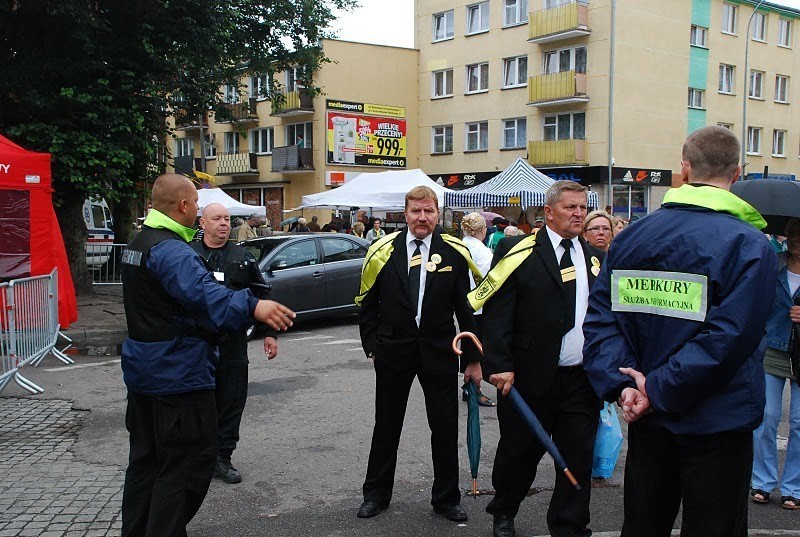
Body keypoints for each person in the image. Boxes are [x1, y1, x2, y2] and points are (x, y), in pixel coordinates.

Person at [582, 126, 778, 537]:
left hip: (648, 416)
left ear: (684, 169)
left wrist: (629, 386)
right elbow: (730, 337)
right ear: (737, 174)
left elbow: (601, 320)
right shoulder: (750, 243)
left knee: (643, 526)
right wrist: (656, 388)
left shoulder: (632, 236)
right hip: (716, 422)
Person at [119, 174, 295, 537]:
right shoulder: (171, 249)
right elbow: (203, 294)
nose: (198, 208)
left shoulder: (138, 243)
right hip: (176, 374)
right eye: (196, 204)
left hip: (144, 373)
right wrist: (253, 307)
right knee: (187, 466)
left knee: (146, 463)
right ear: (183, 206)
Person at [471, 180, 604, 537]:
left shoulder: (594, 258)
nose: (578, 214)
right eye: (570, 208)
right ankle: (504, 511)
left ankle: (570, 526)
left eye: (582, 208)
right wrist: (498, 365)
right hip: (526, 379)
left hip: (580, 381)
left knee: (577, 456)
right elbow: (497, 311)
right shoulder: (518, 250)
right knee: (518, 454)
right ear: (548, 212)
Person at [355, 186, 483, 522]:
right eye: (416, 211)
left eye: (428, 211)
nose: (422, 217)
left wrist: (472, 359)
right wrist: (372, 346)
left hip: (439, 352)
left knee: (444, 428)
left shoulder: (453, 252)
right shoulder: (383, 250)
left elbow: (466, 311)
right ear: (405, 212)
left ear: (437, 213)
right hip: (392, 351)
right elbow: (366, 303)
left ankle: (446, 499)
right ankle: (376, 495)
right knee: (387, 426)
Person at [191, 203, 278, 485]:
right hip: (197, 343)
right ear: (202, 223)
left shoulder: (242, 256)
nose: (223, 224)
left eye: (227, 219)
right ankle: (198, 457)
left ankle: (223, 457)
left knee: (231, 400)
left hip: (232, 342)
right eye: (216, 219)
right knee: (198, 403)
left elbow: (261, 293)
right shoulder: (189, 255)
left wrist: (268, 332)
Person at [751, 218, 800, 510]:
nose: (795, 239)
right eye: (792, 233)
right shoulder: (772, 262)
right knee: (766, 416)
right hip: (772, 347)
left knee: (798, 422)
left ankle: (794, 486)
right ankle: (763, 482)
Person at [459, 212, 496, 407]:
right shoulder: (483, 251)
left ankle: (469, 387)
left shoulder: (459, 246)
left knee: (468, 345)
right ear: (482, 230)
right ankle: (474, 388)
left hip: (463, 303)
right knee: (477, 349)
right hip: (480, 305)